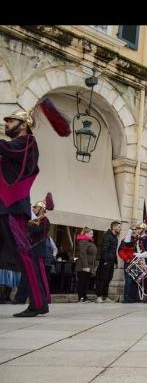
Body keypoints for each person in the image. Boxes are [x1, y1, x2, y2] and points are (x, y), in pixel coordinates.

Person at [0, 102, 70, 317]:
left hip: (12, 209)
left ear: (23, 125)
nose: (7, 124)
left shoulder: (27, 142)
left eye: (10, 121)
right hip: (5, 208)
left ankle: (39, 303)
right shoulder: (16, 146)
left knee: (26, 256)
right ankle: (39, 302)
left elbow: (8, 149)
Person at [95, 221, 121, 303]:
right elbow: (104, 249)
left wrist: (116, 262)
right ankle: (99, 296)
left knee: (108, 278)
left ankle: (105, 297)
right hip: (105, 261)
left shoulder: (115, 237)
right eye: (119, 227)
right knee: (102, 278)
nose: (120, 229)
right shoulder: (107, 236)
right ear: (114, 227)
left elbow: (114, 251)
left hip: (111, 261)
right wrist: (105, 260)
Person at [75, 227, 97, 302]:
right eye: (91, 234)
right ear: (86, 234)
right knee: (82, 282)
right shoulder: (83, 241)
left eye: (92, 234)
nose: (92, 235)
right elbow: (83, 254)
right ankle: (81, 297)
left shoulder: (89, 242)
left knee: (85, 282)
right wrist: (85, 266)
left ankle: (84, 297)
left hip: (89, 265)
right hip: (83, 266)